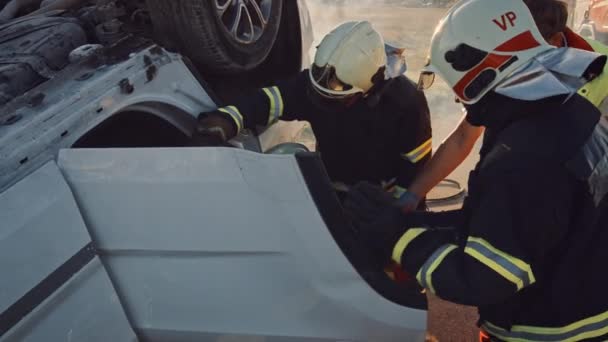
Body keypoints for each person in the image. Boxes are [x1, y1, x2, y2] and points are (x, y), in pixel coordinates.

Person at [345, 0, 608, 341]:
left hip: (544, 329)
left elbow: (480, 279)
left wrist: (398, 238)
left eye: (457, 85)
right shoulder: (569, 112)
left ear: (481, 73)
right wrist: (413, 221)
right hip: (583, 301)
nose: (457, 100)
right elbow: (504, 221)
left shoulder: (522, 159)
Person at [399, 0, 608, 211]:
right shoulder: (514, 64)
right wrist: (412, 195)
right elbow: (464, 137)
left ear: (552, 42)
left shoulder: (603, 72)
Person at [193, 21, 432, 205]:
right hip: (331, 188)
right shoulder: (319, 84)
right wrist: (225, 120)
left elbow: (416, 166)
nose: (323, 103)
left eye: (337, 100)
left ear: (366, 88)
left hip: (378, 196)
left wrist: (398, 209)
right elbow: (268, 100)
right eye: (321, 95)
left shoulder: (406, 103)